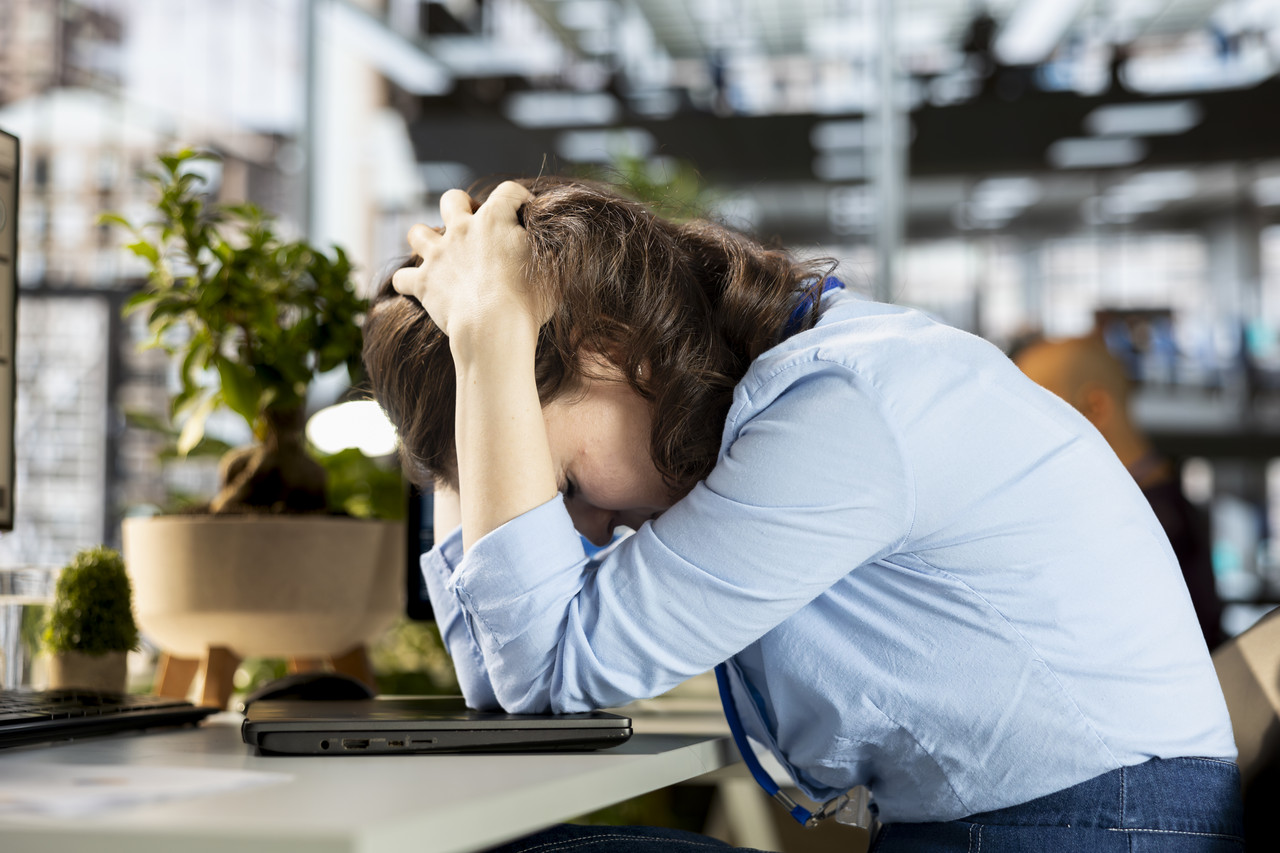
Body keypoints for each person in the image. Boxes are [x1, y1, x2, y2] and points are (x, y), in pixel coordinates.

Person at [363, 177, 1242, 852]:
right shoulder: (814, 385)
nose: (576, 533)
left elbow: (545, 672)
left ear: (610, 351)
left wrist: (488, 344)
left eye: (554, 482)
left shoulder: (837, 408)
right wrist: (470, 397)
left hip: (1103, 831)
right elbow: (512, 688)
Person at [1013, 334, 1227, 650]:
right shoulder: (1161, 512)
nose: (1020, 437)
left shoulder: (1136, 530)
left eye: (1033, 413)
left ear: (1095, 408)